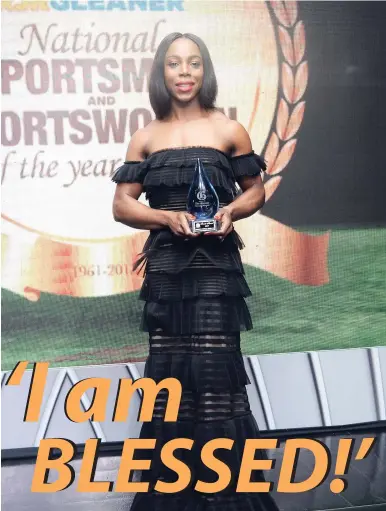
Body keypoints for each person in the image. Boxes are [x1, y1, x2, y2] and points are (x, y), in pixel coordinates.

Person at [112, 32, 279, 511]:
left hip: (215, 272)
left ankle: (226, 497)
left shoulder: (229, 129)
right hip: (166, 273)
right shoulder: (144, 137)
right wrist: (165, 217)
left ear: (204, 72)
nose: (184, 73)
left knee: (214, 379)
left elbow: (256, 191)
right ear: (161, 73)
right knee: (169, 383)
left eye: (193, 64)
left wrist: (231, 211)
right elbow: (122, 205)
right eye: (174, 64)